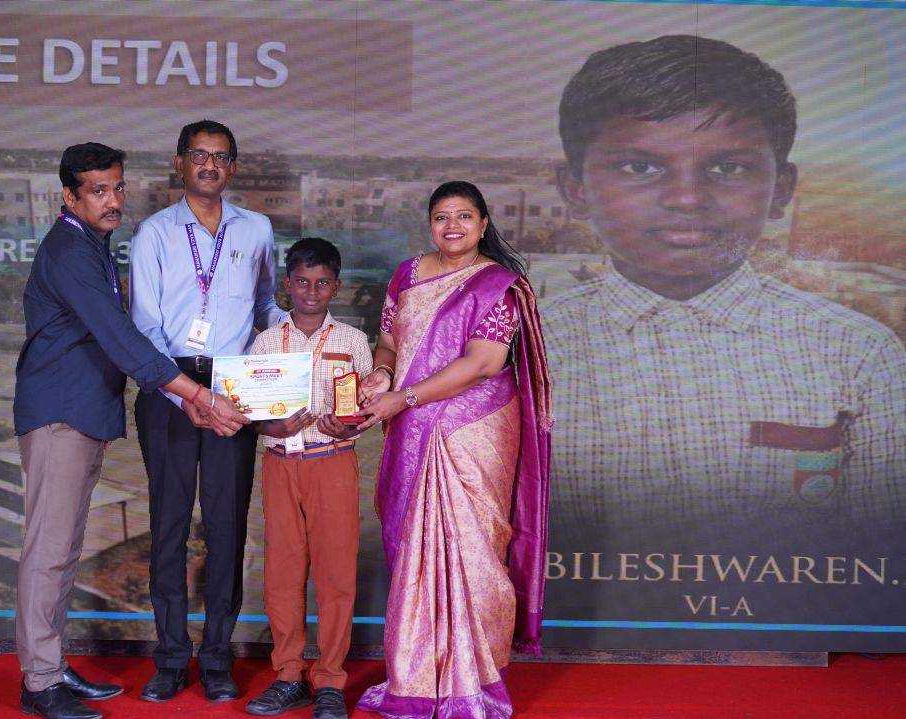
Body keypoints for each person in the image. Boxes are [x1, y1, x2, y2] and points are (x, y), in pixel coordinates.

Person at [544, 35, 906, 534]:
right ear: (576, 189)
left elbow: (884, 555)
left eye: (727, 167)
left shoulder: (858, 354)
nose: (687, 199)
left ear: (781, 190)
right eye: (640, 167)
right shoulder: (509, 356)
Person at [13, 142, 246, 719]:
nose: (112, 200)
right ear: (69, 196)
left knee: (63, 549)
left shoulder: (91, 244)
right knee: (47, 552)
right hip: (59, 414)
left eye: (117, 187)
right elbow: (120, 339)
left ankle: (51, 666)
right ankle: (40, 681)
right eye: (98, 191)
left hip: (82, 414)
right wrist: (195, 394)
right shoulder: (70, 250)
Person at [354, 182, 553, 719]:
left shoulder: (498, 285)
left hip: (473, 430)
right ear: (429, 223)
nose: (452, 226)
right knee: (414, 550)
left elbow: (485, 363)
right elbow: (389, 343)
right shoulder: (407, 275)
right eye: (442, 216)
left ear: (484, 224)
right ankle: (416, 678)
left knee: (471, 550)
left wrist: (403, 398)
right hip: (411, 427)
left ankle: (472, 680)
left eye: (464, 216)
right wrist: (381, 374)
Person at [129, 119, 285, 703]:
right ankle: (171, 659)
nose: (209, 165)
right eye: (199, 155)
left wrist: (304, 338)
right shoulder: (153, 234)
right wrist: (183, 395)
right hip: (169, 385)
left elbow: (265, 305)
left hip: (234, 388)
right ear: (179, 163)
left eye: (220, 157)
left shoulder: (257, 228)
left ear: (233, 168)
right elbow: (143, 327)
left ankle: (217, 658)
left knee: (227, 527)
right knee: (169, 527)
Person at [243, 237, 374, 719]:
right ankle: (288, 675)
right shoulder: (266, 342)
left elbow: (365, 409)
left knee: (336, 573)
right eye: (302, 282)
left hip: (333, 461)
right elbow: (249, 409)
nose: (311, 292)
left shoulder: (353, 341)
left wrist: (351, 424)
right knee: (282, 572)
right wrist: (268, 427)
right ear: (287, 285)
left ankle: (331, 680)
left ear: (336, 287)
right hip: (280, 463)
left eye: (322, 283)